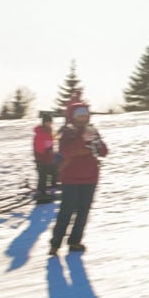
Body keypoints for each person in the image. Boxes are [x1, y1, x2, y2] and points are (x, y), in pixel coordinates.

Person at [49, 103, 109, 255]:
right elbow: (64, 151)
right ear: (73, 117)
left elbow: (103, 152)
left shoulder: (92, 130)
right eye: (80, 115)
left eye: (85, 115)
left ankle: (75, 241)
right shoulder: (67, 132)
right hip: (71, 178)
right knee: (66, 211)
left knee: (83, 211)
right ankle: (55, 243)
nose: (83, 118)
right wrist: (82, 139)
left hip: (90, 177)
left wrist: (97, 142)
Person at [33, 113, 58, 203]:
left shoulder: (49, 131)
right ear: (44, 122)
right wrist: (45, 153)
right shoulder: (41, 132)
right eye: (47, 122)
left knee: (53, 173)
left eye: (50, 122)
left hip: (48, 157)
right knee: (43, 176)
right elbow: (39, 146)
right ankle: (41, 192)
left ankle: (51, 190)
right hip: (42, 157)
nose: (49, 124)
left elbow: (50, 143)